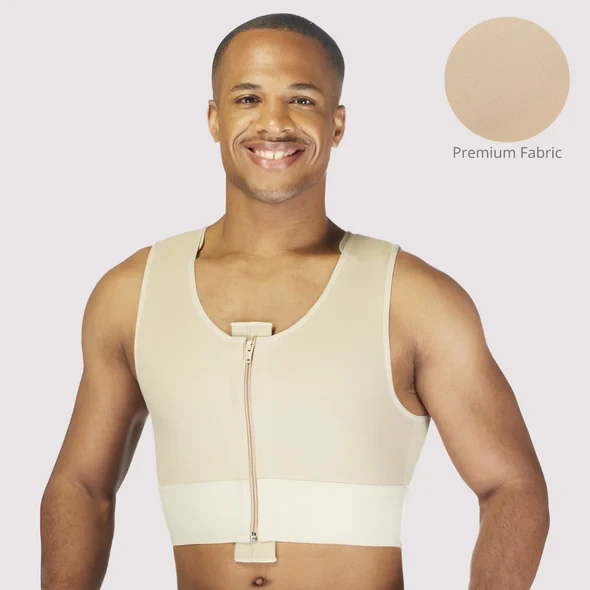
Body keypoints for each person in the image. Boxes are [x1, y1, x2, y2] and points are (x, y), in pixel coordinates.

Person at [40, 12, 550, 590]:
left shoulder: (414, 300)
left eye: (302, 100)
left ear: (337, 124)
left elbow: (512, 486)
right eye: (248, 98)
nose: (274, 123)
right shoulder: (132, 294)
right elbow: (81, 486)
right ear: (214, 118)